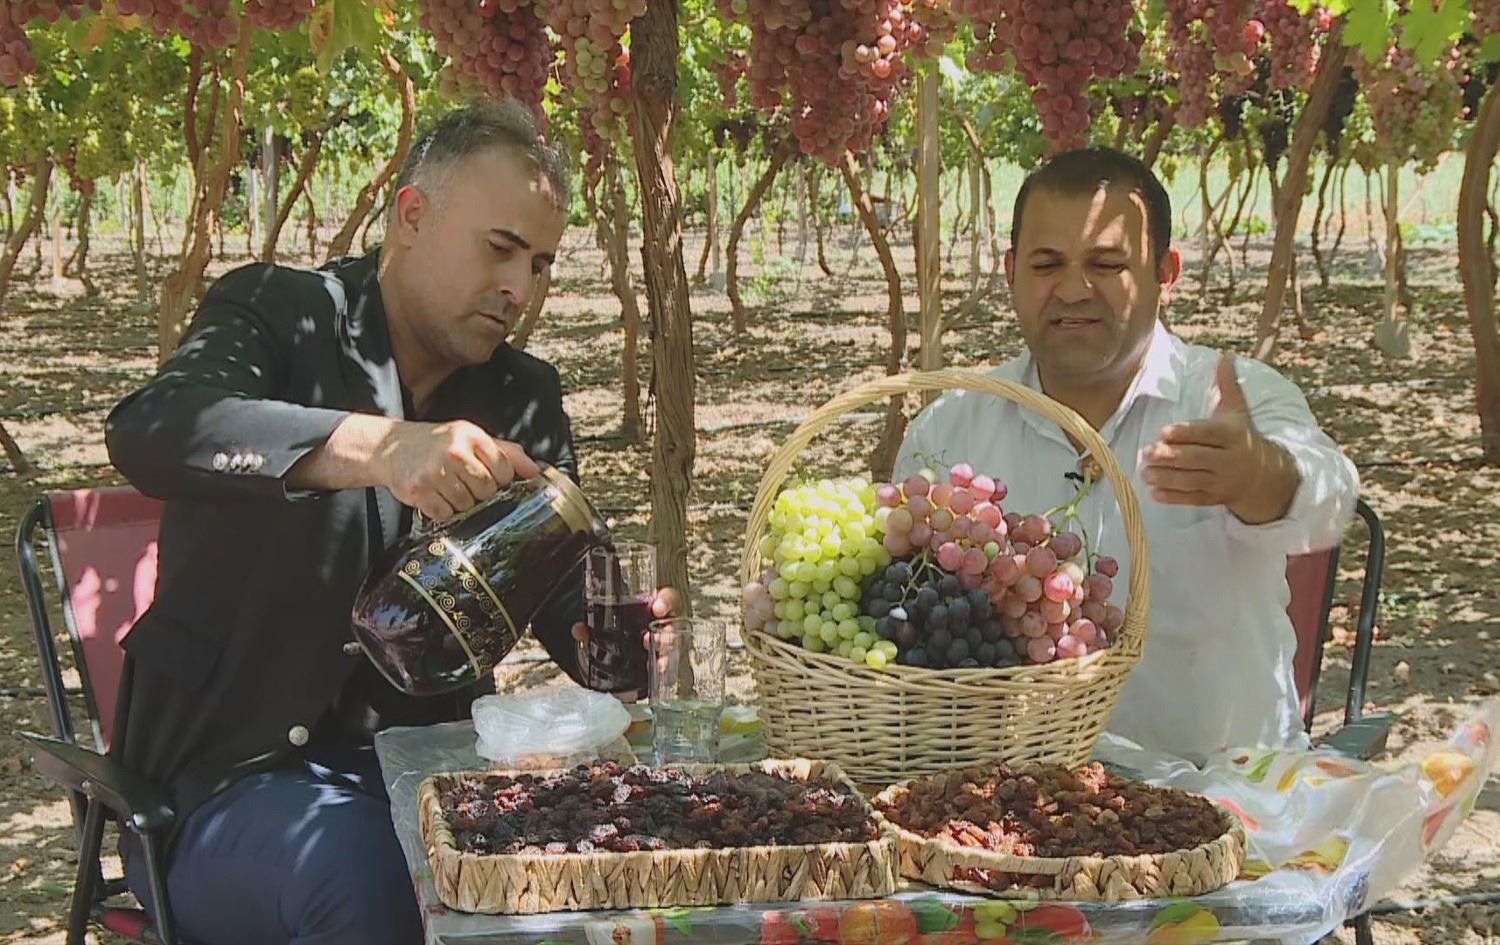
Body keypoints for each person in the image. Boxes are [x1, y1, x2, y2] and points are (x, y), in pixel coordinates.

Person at [105, 100, 666, 944]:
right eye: (501, 248)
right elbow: (154, 427)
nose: (522, 288)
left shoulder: (523, 396)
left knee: (608, 872)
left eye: (542, 263)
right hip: (224, 787)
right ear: (412, 216)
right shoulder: (278, 312)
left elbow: (568, 608)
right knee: (382, 875)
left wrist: (623, 634)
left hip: (436, 781)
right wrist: (374, 445)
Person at [895, 147, 1358, 765]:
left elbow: (1328, 497)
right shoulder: (952, 427)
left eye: (1107, 263)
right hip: (1012, 801)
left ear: (1166, 272)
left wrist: (1258, 475)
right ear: (1010, 272)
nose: (1073, 289)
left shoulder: (1222, 395)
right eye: (1046, 263)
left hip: (1226, 797)